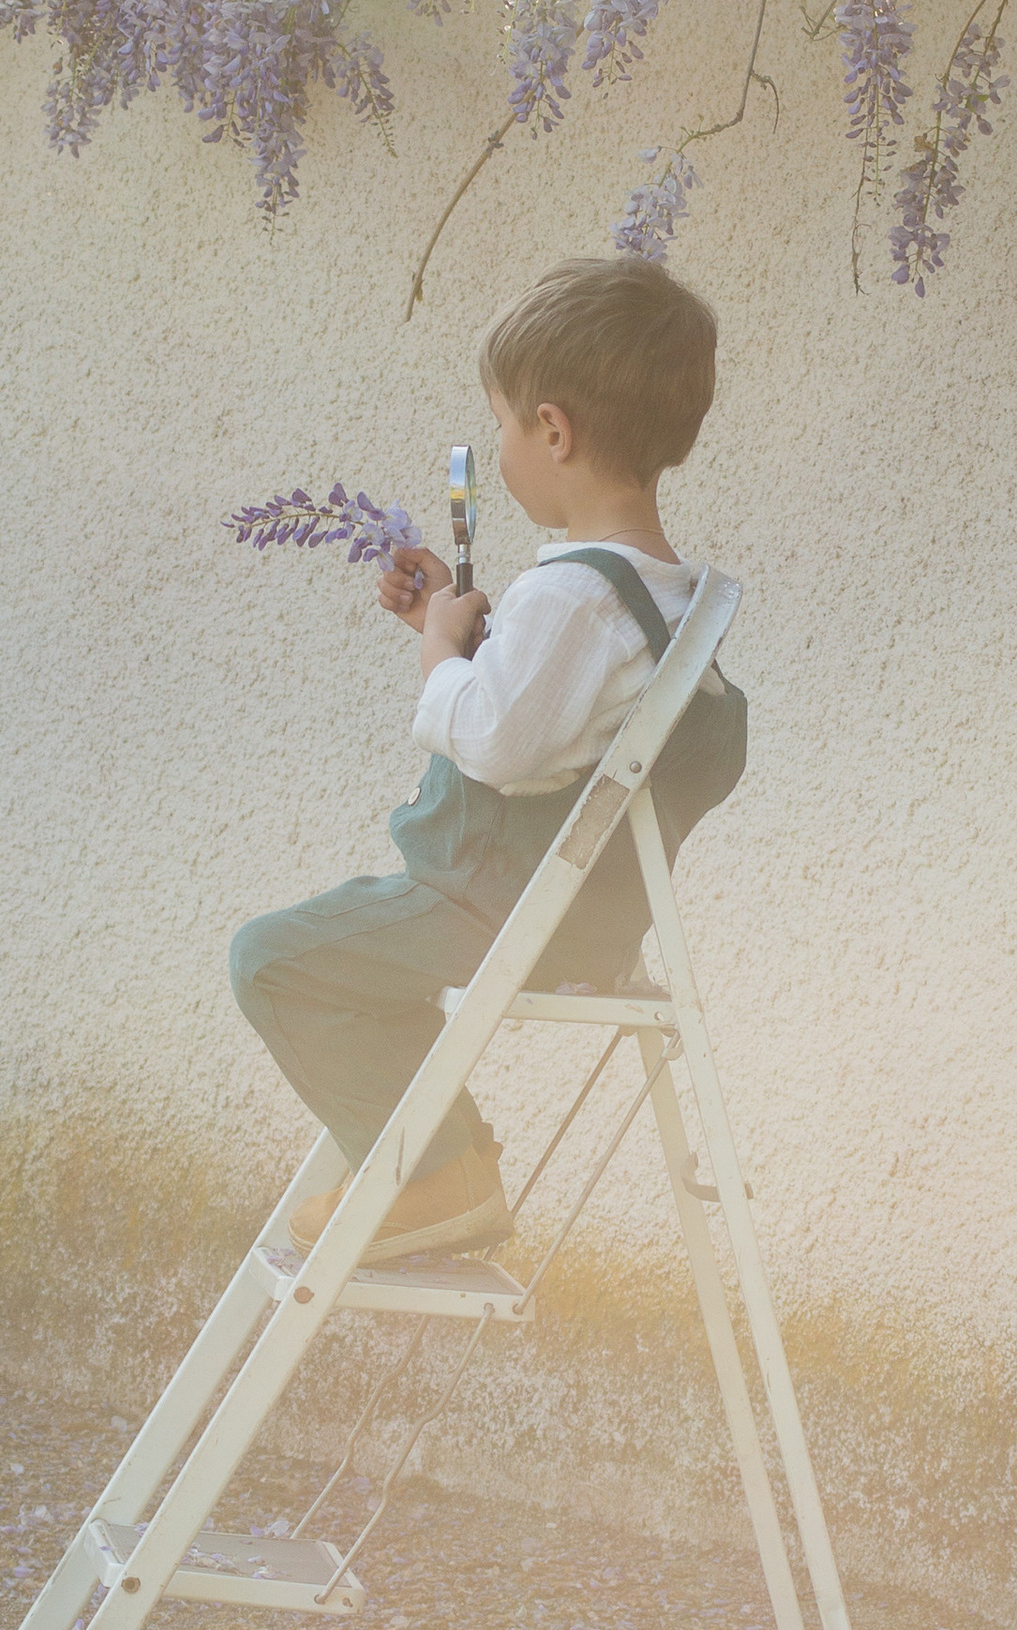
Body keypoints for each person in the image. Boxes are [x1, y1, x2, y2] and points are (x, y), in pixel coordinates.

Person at [229, 255, 735, 1260]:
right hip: (581, 920)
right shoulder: (655, 596)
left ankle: (435, 1174)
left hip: (490, 908)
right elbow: (561, 715)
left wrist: (434, 657)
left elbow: (503, 740)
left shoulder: (574, 595)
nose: (497, 445)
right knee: (330, 957)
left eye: (500, 422)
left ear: (552, 431)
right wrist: (459, 630)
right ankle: (432, 1162)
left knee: (276, 961)